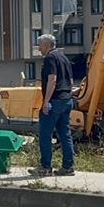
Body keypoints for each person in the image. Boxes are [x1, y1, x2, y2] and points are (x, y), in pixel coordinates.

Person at [30, 34, 75, 177]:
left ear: (48, 45)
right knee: (65, 134)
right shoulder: (64, 58)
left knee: (45, 134)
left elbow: (52, 79)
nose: (39, 48)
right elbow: (71, 81)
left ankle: (45, 167)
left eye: (40, 45)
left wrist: (46, 102)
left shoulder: (50, 58)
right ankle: (68, 166)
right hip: (66, 99)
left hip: (54, 101)